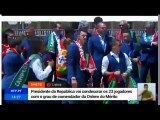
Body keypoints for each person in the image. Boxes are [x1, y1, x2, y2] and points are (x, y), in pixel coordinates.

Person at [67, 29, 96, 104]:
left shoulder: (86, 48)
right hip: (76, 80)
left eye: (86, 36)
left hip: (85, 80)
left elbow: (87, 62)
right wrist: (72, 78)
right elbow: (70, 64)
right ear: (78, 36)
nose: (85, 37)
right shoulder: (73, 47)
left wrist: (90, 70)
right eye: (83, 36)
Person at [102, 39, 132, 104]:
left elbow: (129, 66)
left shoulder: (124, 55)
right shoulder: (106, 58)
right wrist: (113, 73)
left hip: (124, 83)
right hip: (112, 84)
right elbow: (103, 71)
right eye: (119, 45)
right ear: (113, 46)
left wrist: (127, 72)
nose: (121, 46)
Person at [88, 22, 112, 88]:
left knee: (107, 84)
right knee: (96, 84)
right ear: (97, 29)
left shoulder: (109, 39)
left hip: (107, 65)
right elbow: (89, 54)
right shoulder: (92, 39)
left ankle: (107, 98)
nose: (104, 29)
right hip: (96, 65)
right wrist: (90, 67)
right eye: (102, 28)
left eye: (105, 28)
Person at [139, 22, 158, 93]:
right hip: (144, 59)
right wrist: (151, 44)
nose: (144, 29)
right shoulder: (143, 35)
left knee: (154, 78)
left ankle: (153, 95)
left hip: (154, 59)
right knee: (142, 77)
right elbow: (142, 42)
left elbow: (157, 44)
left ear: (152, 28)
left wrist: (147, 46)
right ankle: (142, 95)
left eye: (146, 28)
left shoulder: (157, 35)